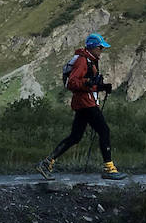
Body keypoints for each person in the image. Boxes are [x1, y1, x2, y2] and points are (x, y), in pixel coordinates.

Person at [37, 33, 127, 181]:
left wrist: (102, 87)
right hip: (86, 103)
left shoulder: (90, 60)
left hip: (83, 102)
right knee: (104, 131)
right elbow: (73, 82)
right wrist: (89, 84)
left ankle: (47, 163)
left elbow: (88, 83)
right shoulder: (82, 61)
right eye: (100, 47)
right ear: (92, 47)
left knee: (75, 137)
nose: (101, 50)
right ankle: (109, 169)